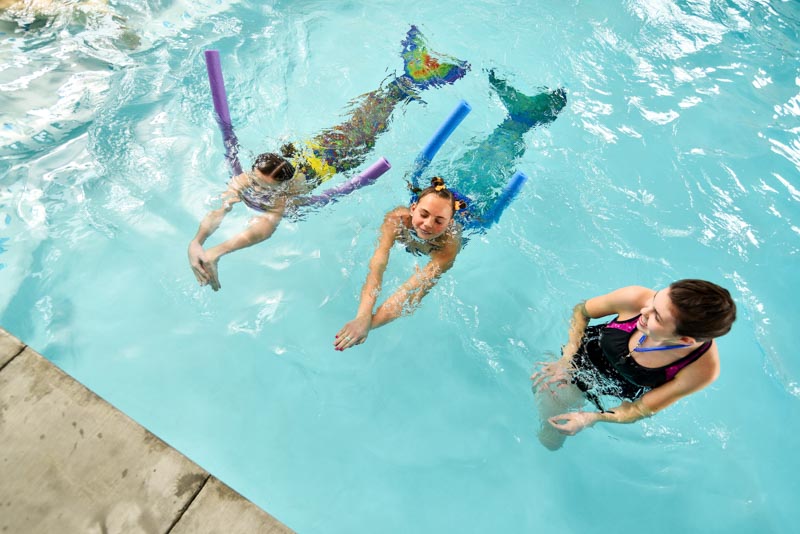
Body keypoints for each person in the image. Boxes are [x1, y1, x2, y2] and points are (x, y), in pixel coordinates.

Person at [188, 26, 468, 291]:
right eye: (256, 183)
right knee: (368, 113)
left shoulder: (285, 194)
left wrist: (217, 251)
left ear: (281, 187)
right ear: (252, 172)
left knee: (374, 118)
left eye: (265, 189)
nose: (258, 190)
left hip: (342, 153)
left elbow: (263, 228)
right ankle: (410, 77)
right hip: (310, 150)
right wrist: (197, 242)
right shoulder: (245, 178)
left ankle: (413, 76)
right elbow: (219, 210)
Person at [531, 279, 737, 450]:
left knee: (554, 435)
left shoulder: (701, 369)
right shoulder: (635, 298)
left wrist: (589, 418)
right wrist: (566, 360)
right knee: (552, 408)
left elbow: (639, 409)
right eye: (655, 299)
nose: (645, 309)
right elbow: (581, 312)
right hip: (583, 354)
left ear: (685, 340)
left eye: (657, 315)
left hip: (619, 388)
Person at [334, 176, 463, 351]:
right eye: (423, 214)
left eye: (439, 221)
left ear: (450, 223)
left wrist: (367, 325)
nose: (427, 224)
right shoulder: (397, 219)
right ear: (413, 208)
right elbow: (377, 266)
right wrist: (362, 315)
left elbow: (410, 291)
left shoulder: (448, 247)